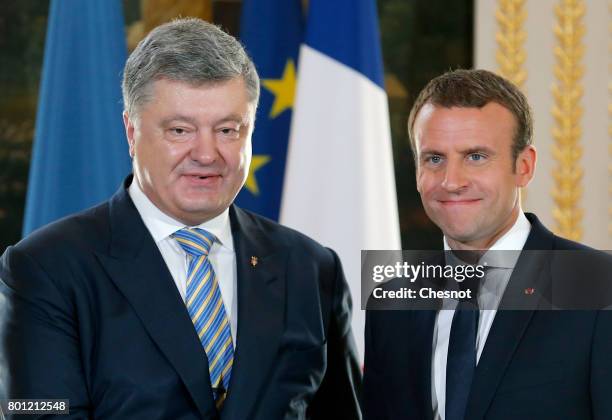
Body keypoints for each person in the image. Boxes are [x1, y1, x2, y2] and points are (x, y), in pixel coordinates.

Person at [0, 18, 362, 419]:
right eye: (179, 130)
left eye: (227, 130)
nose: (207, 154)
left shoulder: (311, 268)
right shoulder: (45, 269)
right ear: (131, 132)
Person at [363, 69, 612, 420]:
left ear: (524, 166)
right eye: (434, 158)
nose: (451, 181)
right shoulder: (391, 301)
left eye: (475, 156)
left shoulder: (598, 287)